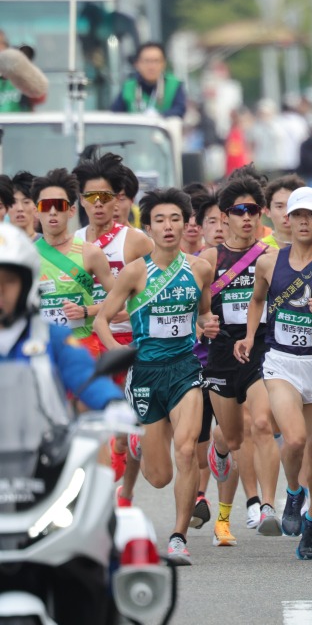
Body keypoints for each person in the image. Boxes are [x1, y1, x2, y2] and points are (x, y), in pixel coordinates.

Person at [0, 223, 124, 625]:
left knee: (98, 529)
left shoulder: (50, 337)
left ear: (26, 284)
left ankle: (110, 610)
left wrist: (114, 405)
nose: (0, 291)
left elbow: (85, 376)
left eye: (7, 282)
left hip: (44, 461)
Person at [94, 188, 219, 566]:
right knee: (159, 476)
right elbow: (102, 318)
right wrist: (114, 350)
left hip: (184, 369)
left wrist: (205, 323)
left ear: (186, 224)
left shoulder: (199, 268)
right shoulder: (135, 271)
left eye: (175, 219)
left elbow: (203, 313)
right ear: (148, 226)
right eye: (160, 220)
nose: (168, 227)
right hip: (145, 373)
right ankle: (137, 445)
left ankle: (178, 537)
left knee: (186, 451)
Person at [233, 187, 312, 560]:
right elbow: (257, 299)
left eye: (311, 215)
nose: (304, 222)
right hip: (280, 361)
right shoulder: (268, 262)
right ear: (286, 221)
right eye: (297, 215)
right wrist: (248, 335)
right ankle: (293, 492)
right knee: (293, 440)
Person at [199, 172, 282, 544]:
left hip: (261, 349)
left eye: (253, 210)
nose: (247, 218)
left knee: (261, 423)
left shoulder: (271, 255)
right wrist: (203, 323)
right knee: (233, 437)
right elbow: (191, 310)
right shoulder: (207, 259)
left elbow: (284, 301)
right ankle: (218, 447)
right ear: (225, 215)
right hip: (219, 355)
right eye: (239, 211)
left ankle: (267, 505)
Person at [72, 154, 154, 483]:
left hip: (131, 341)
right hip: (90, 343)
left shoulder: (134, 240)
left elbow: (152, 290)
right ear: (81, 200)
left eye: (106, 197)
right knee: (91, 420)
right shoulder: (74, 241)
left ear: (117, 199)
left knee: (123, 431)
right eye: (91, 198)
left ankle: (121, 456)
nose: (99, 205)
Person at [31, 168, 116, 356]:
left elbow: (121, 300)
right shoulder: (27, 256)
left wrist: (88, 310)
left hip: (82, 348)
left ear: (71, 211)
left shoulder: (90, 252)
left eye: (59, 205)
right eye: (45, 206)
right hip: (41, 349)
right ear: (36, 211)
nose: (52, 212)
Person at [111, 42, 186, 117]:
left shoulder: (174, 84)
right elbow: (115, 114)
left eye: (156, 61)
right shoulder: (128, 86)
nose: (151, 67)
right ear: (137, 64)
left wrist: (160, 116)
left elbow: (180, 110)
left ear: (163, 64)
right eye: (147, 61)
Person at [0, 29, 48, 111]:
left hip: (21, 123)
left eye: (2, 43)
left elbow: (40, 96)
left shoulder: (18, 71)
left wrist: (22, 64)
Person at [11, 171, 38, 239]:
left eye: (26, 202)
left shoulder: (48, 245)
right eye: (14, 202)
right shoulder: (3, 245)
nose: (20, 208)